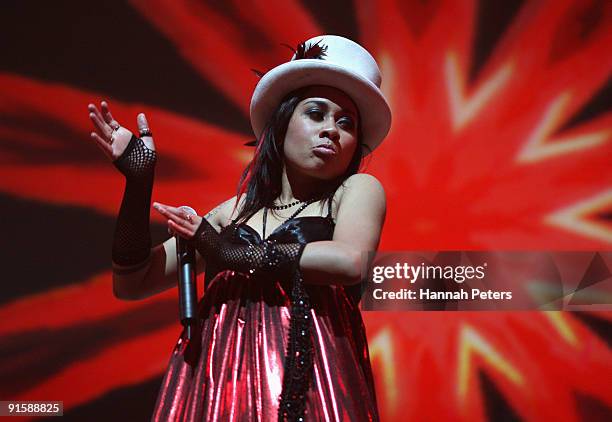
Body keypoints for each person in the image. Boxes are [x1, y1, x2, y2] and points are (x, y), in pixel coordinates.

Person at [87, 35, 391, 421]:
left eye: (346, 122)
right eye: (316, 113)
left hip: (314, 385)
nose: (332, 129)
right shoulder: (232, 213)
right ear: (280, 127)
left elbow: (350, 261)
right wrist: (138, 184)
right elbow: (131, 281)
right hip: (218, 390)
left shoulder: (356, 190)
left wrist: (230, 253)